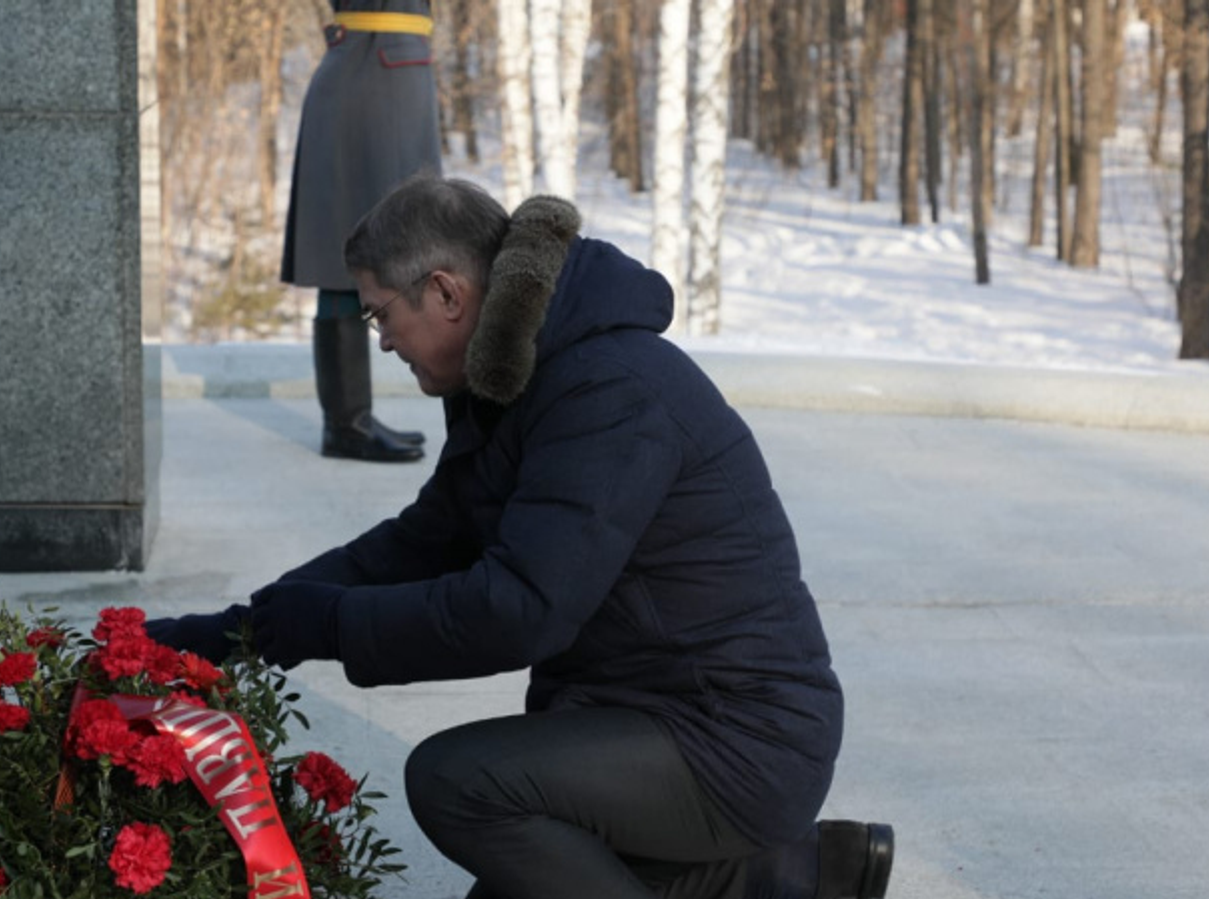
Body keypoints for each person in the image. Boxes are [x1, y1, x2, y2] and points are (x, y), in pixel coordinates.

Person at [151, 175, 893, 899]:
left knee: (457, 782)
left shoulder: (607, 390)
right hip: (641, 714)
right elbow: (422, 543)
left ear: (445, 293)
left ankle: (762, 859)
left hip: (736, 740)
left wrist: (337, 626)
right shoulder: (511, 381)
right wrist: (235, 631)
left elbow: (521, 609)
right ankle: (797, 872)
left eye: (380, 317)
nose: (380, 343)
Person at [280, 0, 442, 462]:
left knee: (416, 242)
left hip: (389, 69)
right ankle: (347, 425)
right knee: (346, 253)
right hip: (375, 74)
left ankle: (352, 420)